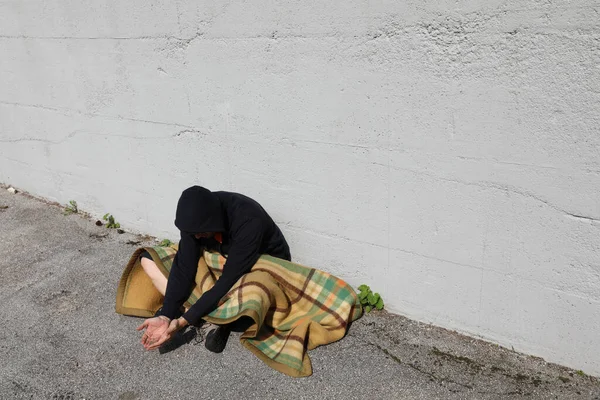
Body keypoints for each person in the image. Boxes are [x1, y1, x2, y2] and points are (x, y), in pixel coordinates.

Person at [136, 186, 291, 352]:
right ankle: (202, 315)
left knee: (254, 292)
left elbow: (229, 278)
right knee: (148, 259)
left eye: (200, 232)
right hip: (223, 258)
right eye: (192, 233)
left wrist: (183, 321)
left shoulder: (248, 220)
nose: (195, 237)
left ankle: (205, 316)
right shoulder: (194, 221)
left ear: (212, 221)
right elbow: (184, 267)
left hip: (257, 264)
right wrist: (166, 314)